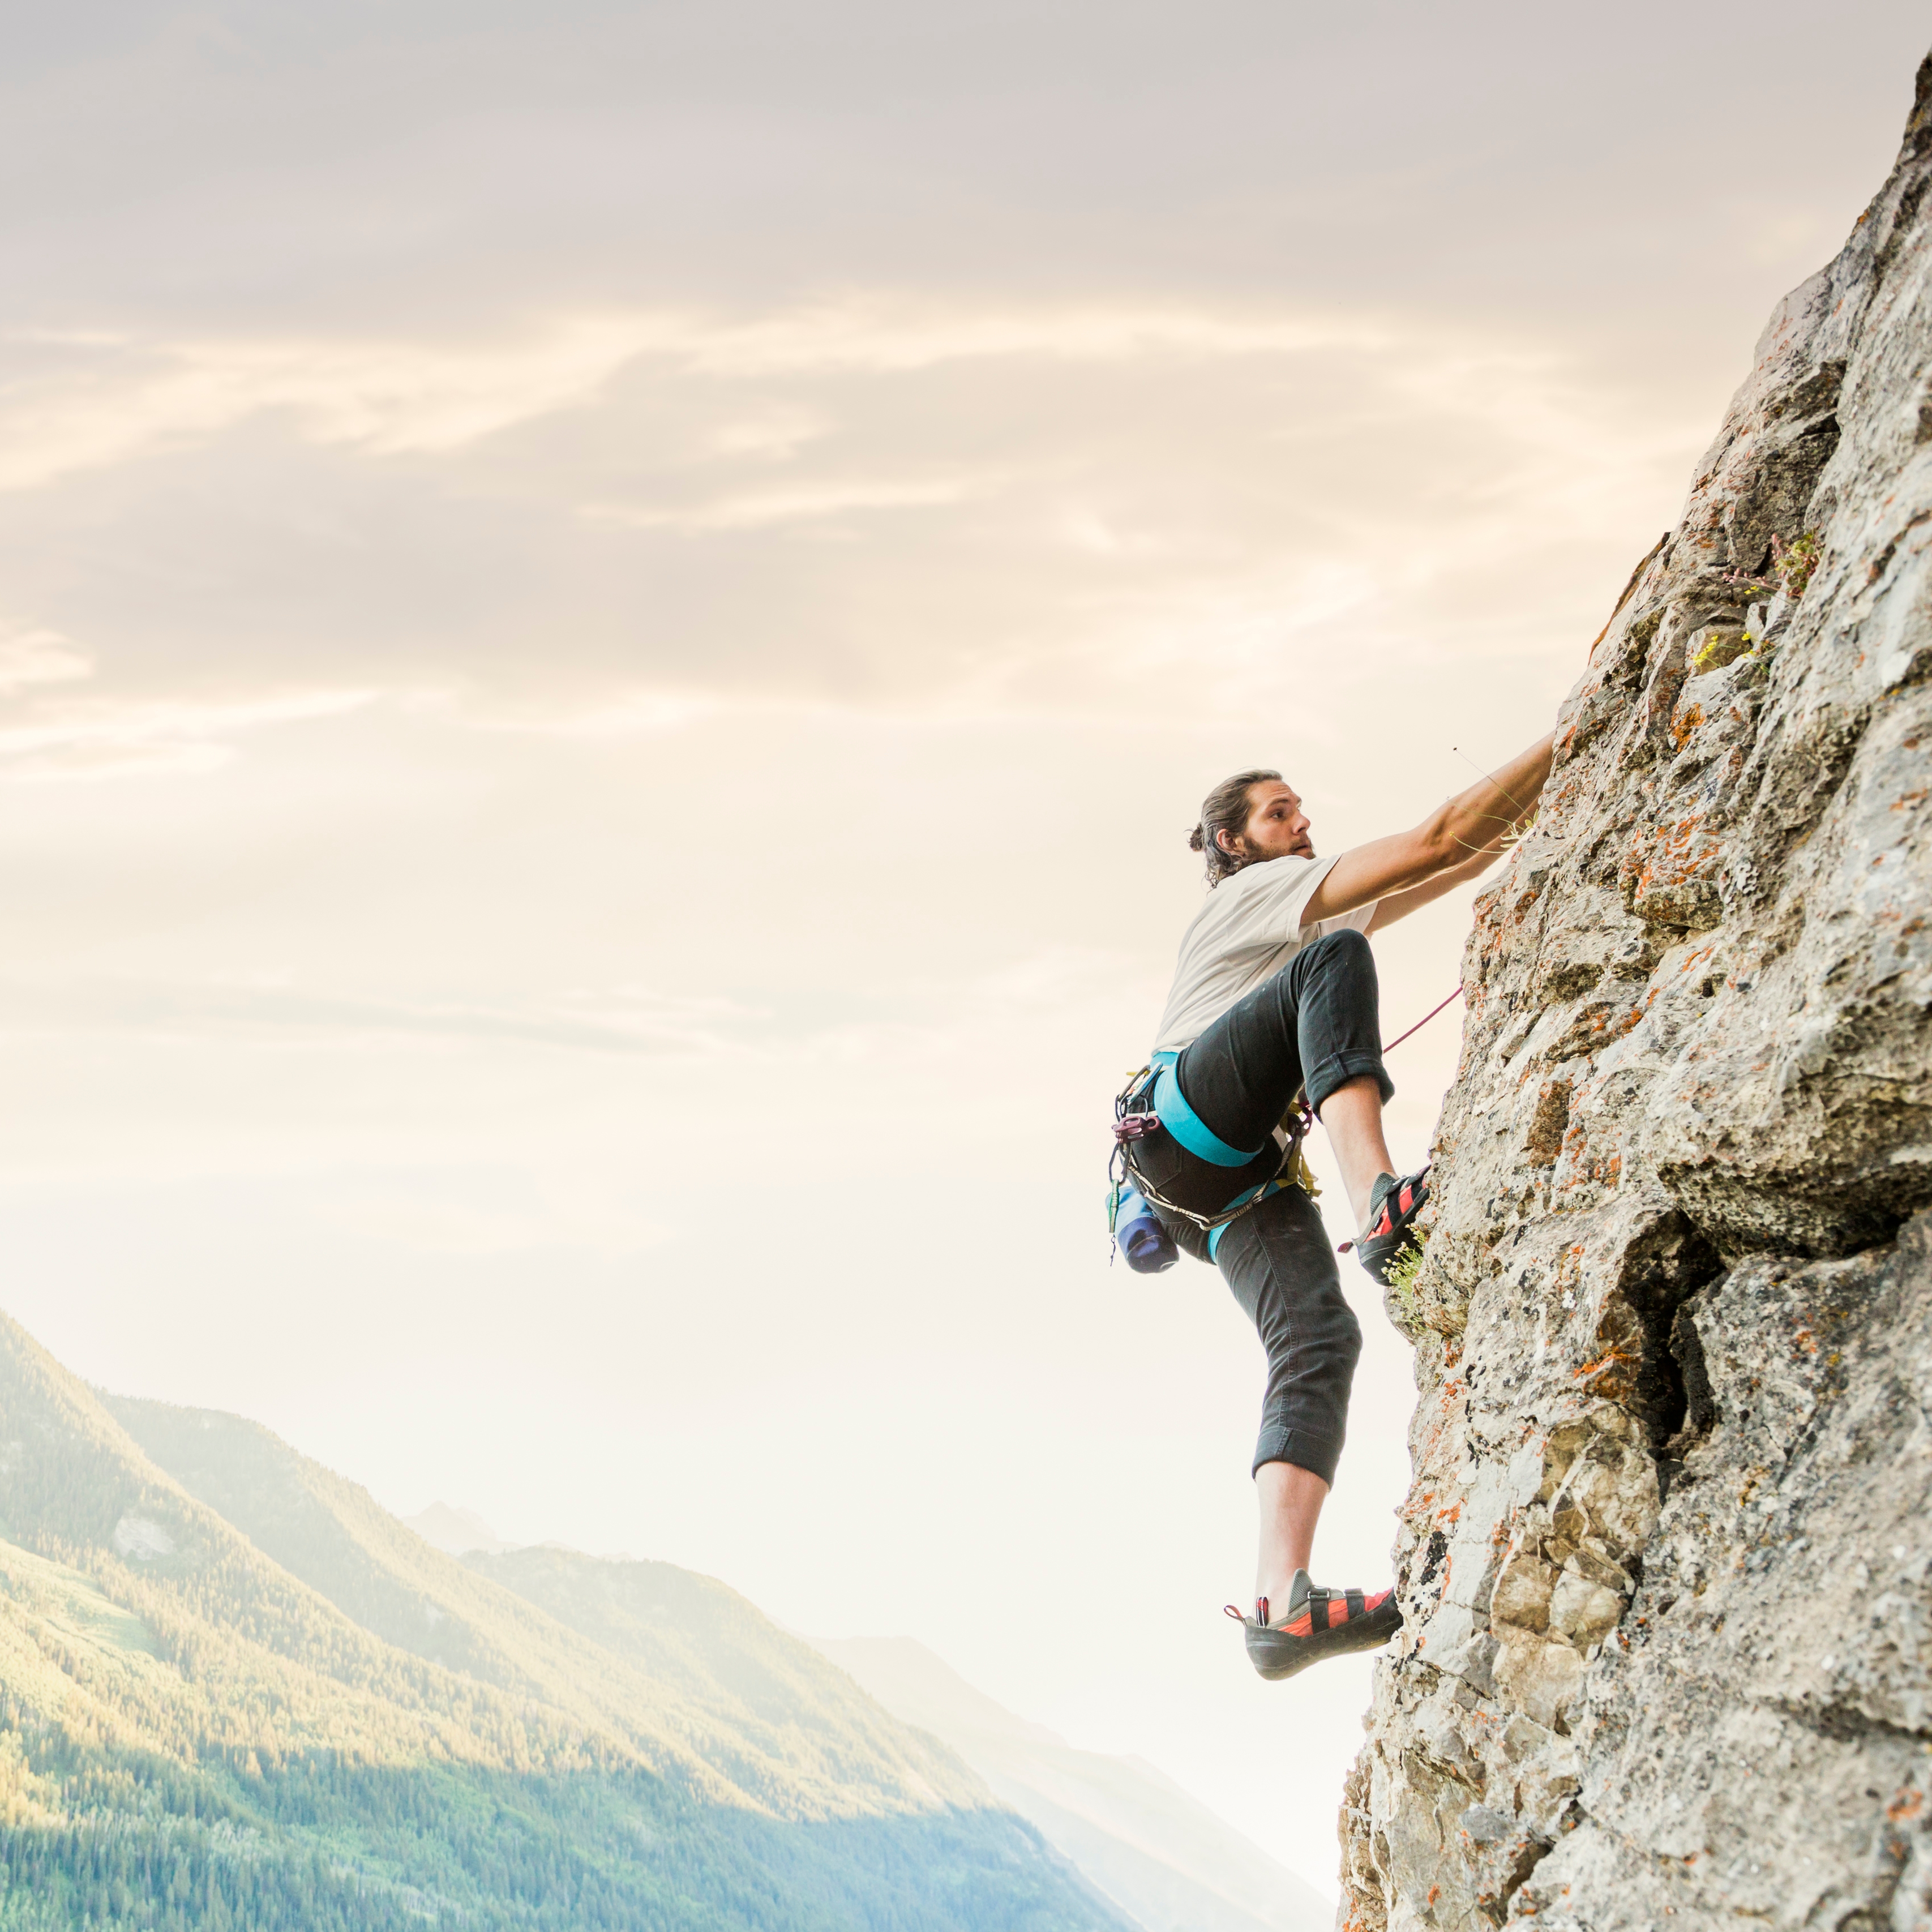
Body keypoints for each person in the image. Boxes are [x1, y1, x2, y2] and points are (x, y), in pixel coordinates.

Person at [1123, 735, 1553, 1680]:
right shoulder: (1250, 897)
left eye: (1300, 808)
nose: (1303, 823)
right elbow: (1438, 835)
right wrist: (1574, 730)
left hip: (1210, 1181)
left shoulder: (1297, 915)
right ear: (1231, 845)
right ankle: (1379, 1196)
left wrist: (1559, 785)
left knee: (1318, 1342)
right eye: (1279, 814)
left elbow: (1463, 851)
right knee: (1338, 962)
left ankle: (1280, 1606)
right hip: (1189, 1124)